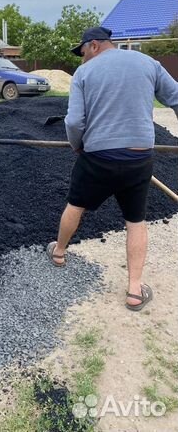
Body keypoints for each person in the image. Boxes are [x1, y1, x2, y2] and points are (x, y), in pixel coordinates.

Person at [47, 26, 178, 311]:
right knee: (136, 220)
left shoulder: (84, 73)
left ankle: (58, 253)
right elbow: (176, 98)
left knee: (76, 204)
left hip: (98, 157)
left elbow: (73, 122)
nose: (81, 59)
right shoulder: (148, 63)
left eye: (82, 52)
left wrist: (76, 146)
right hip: (139, 158)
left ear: (93, 45)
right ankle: (134, 291)